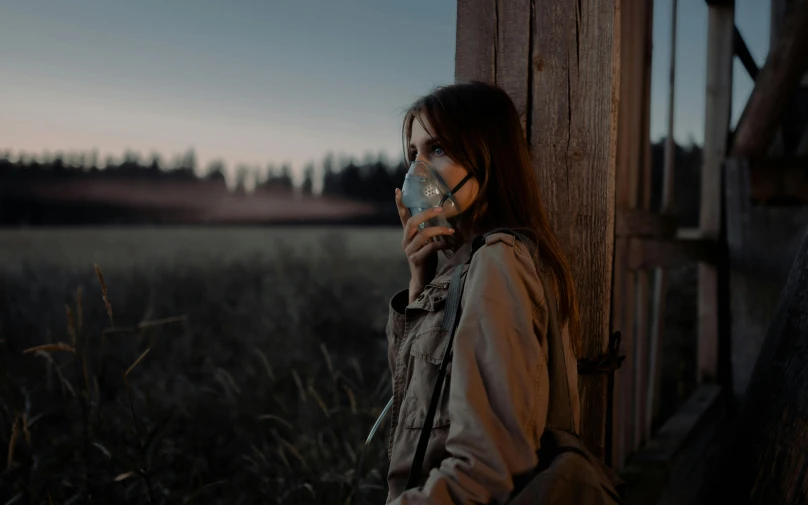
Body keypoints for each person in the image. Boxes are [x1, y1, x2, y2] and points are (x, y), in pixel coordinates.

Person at [385, 81, 583, 504]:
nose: (417, 172)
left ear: (488, 157)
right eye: (413, 154)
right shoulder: (470, 265)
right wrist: (421, 280)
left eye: (437, 148)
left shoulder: (498, 263)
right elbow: (415, 405)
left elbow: (486, 471)